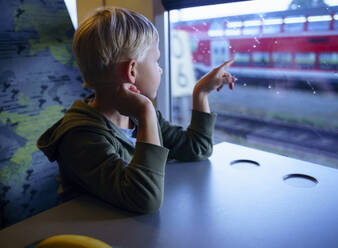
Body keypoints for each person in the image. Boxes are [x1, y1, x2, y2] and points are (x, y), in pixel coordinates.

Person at [37, 7, 236, 214]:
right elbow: (143, 199)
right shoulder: (81, 138)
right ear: (132, 70)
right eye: (156, 60)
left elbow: (196, 149)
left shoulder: (138, 118)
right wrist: (146, 112)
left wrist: (200, 93)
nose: (160, 68)